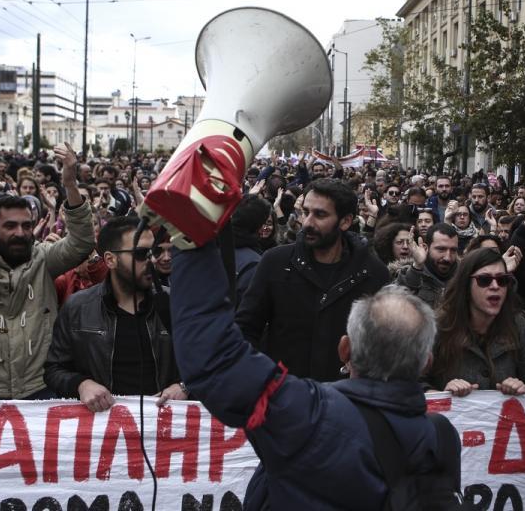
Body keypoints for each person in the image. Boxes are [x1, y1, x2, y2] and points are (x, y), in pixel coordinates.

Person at [172, 239, 463, 509]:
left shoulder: (307, 415)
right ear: (427, 362)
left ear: (345, 350)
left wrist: (193, 241)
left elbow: (213, 358)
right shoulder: (442, 436)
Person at [0, 144, 95, 400]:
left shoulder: (44, 258)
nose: (20, 233)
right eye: (10, 226)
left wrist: (70, 185)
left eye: (26, 225)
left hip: (39, 387)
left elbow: (82, 242)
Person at [236, 179, 390, 382]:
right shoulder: (275, 262)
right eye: (305, 212)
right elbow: (245, 329)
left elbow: (385, 345)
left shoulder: (373, 273)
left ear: (345, 221)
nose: (307, 222)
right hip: (284, 398)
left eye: (320, 215)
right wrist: (263, 379)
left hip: (347, 401)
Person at [44, 216, 185, 411]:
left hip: (164, 428)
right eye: (141, 254)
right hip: (103, 431)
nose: (153, 260)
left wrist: (184, 387)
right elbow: (54, 369)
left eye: (155, 251)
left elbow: (209, 362)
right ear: (110, 259)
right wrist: (82, 385)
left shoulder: (176, 303)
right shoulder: (78, 308)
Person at [429, 248, 525, 396]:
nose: (495, 286)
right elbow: (414, 384)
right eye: (484, 280)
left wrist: (523, 391)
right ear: (466, 285)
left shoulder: (518, 327)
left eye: (502, 280)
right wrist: (441, 393)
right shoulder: (438, 327)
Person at [395, 223, 459, 307]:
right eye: (441, 249)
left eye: (453, 250)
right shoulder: (410, 276)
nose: (447, 257)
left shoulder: (465, 278)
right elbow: (397, 305)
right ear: (425, 248)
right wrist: (417, 266)